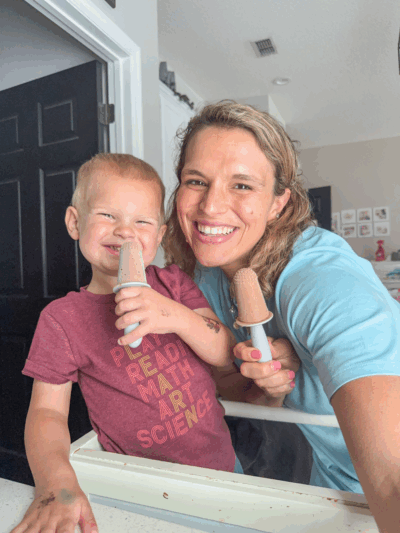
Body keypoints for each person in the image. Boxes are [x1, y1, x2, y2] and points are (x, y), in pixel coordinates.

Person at [13, 153, 296, 533]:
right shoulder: (62, 320)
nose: (125, 232)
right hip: (138, 489)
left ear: (159, 236)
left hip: (221, 470)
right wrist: (56, 482)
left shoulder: (174, 284)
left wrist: (173, 314)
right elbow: (46, 414)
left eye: (142, 221)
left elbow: (222, 352)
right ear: (75, 223)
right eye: (108, 216)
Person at [163, 100, 400, 533]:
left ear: (279, 203)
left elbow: (391, 477)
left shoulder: (322, 282)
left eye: (242, 185)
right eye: (196, 181)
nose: (211, 206)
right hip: (325, 481)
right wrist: (266, 388)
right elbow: (230, 391)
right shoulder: (205, 274)